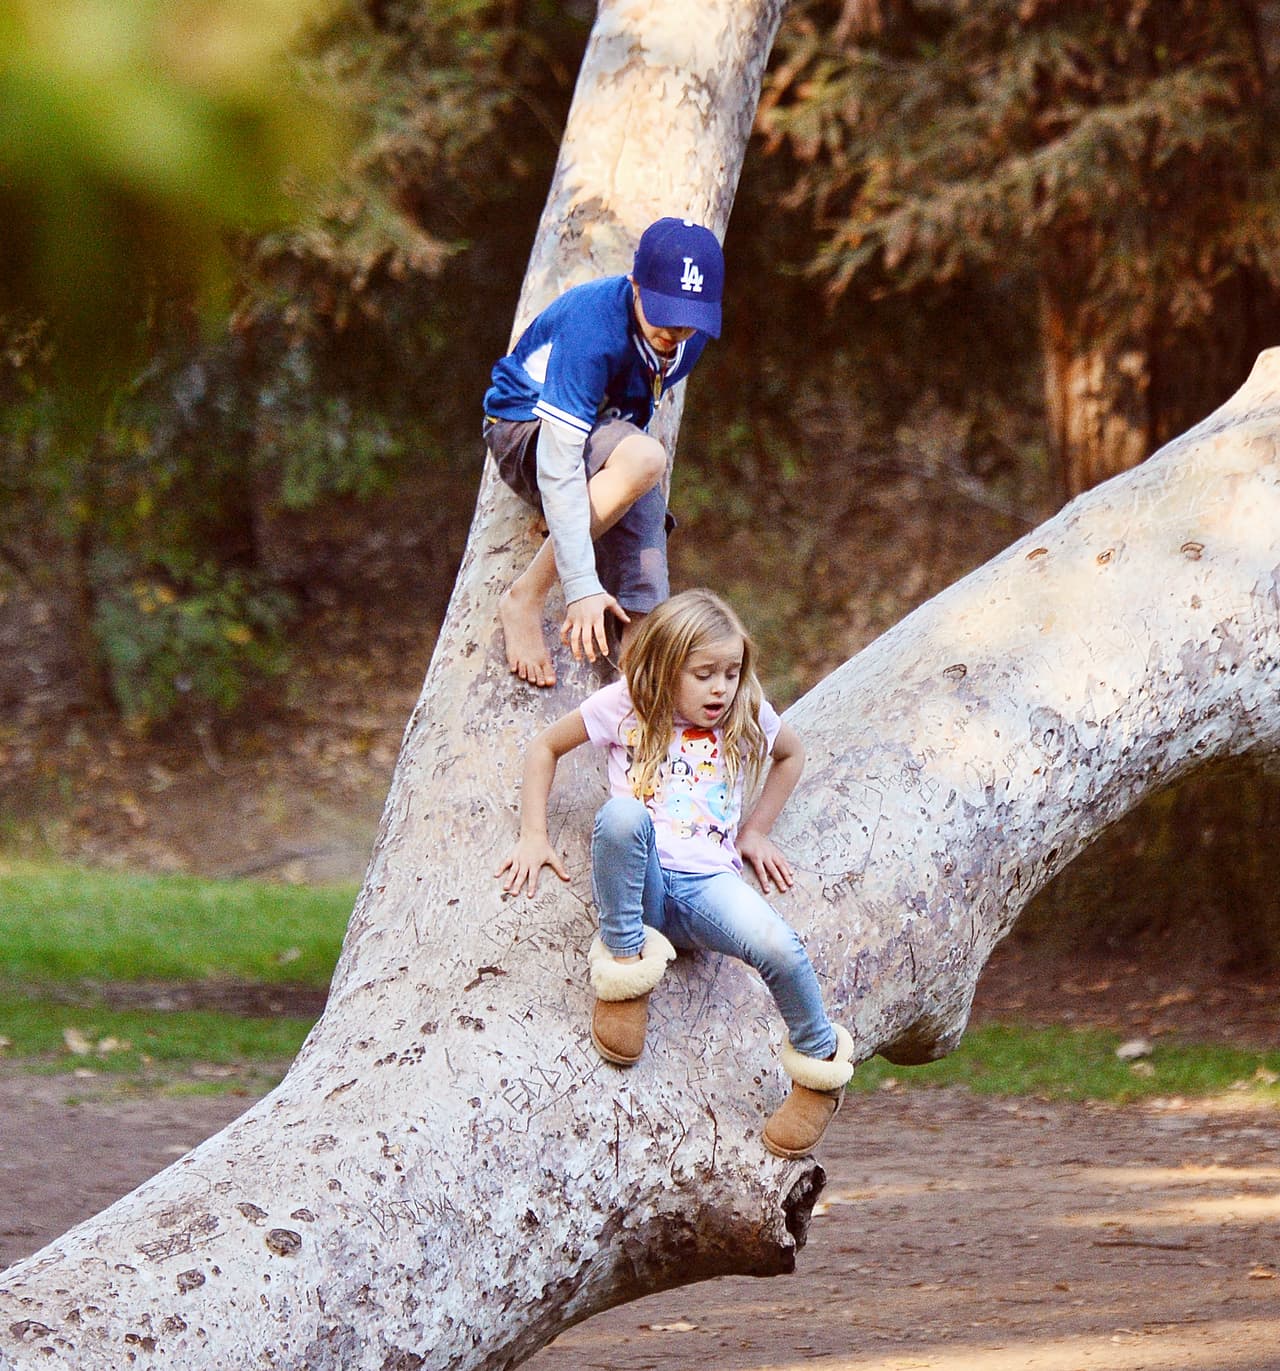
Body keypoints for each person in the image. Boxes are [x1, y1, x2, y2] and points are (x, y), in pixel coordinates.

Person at [495, 588, 855, 1158]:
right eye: (705, 673)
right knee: (620, 816)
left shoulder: (745, 713)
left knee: (780, 946)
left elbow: (791, 754)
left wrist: (755, 830)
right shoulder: (625, 705)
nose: (721, 688)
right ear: (665, 668)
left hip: (710, 887)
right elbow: (545, 746)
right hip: (643, 886)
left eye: (732, 672)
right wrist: (532, 834)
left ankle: (817, 1073)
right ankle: (624, 966)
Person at [483, 217, 724, 687]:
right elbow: (558, 464)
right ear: (635, 285)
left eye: (689, 321)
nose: (676, 332)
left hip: (601, 430)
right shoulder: (592, 327)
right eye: (664, 313)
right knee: (646, 461)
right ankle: (524, 598)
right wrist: (581, 586)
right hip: (525, 430)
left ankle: (637, 674)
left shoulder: (685, 340)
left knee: (647, 519)